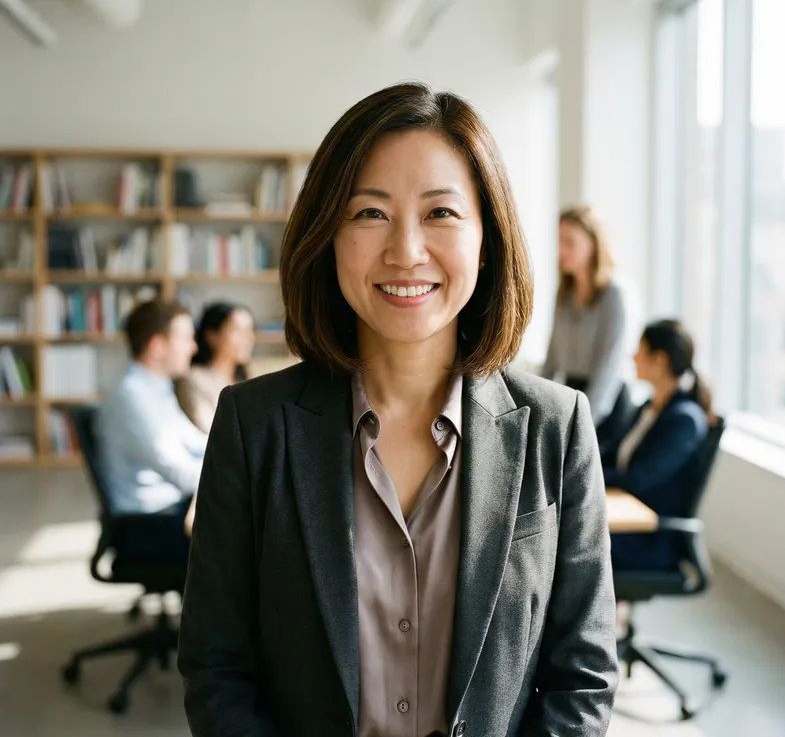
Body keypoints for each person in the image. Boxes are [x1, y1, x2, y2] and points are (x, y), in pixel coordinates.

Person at [178, 82, 619, 737]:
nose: (406, 251)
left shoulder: (557, 426)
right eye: (369, 214)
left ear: (486, 238)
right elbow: (217, 668)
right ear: (327, 234)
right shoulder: (253, 424)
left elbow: (581, 675)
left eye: (440, 213)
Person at [96, 300, 205, 559]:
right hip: (146, 526)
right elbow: (178, 471)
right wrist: (232, 473)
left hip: (168, 511)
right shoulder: (132, 397)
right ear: (157, 346)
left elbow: (199, 444)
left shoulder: (157, 388)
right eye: (186, 338)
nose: (194, 347)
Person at [603, 320, 713, 570]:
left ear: (660, 360)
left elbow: (637, 479)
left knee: (568, 538)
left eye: (640, 350)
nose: (633, 357)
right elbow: (614, 454)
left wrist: (589, 476)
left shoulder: (684, 419)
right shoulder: (648, 407)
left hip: (649, 536)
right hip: (627, 516)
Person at [541, 205, 635, 452]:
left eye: (570, 242)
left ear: (592, 244)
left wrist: (584, 424)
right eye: (559, 241)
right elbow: (552, 360)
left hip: (605, 404)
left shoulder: (614, 295)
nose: (562, 251)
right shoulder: (565, 293)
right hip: (573, 396)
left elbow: (609, 368)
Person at [175, 301, 256, 433]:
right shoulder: (193, 380)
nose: (247, 338)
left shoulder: (249, 380)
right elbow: (209, 432)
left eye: (250, 330)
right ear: (212, 336)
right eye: (237, 331)